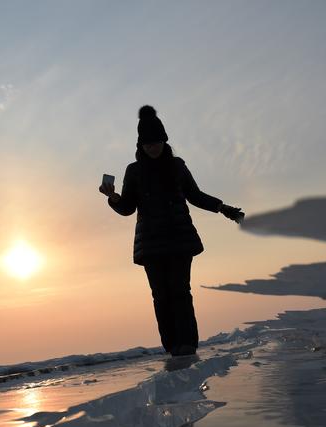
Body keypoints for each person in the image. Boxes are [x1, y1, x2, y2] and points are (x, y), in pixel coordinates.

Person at [99, 105, 244, 357]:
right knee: (161, 296)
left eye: (156, 142)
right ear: (140, 145)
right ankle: (172, 348)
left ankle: (187, 345)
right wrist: (112, 197)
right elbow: (127, 208)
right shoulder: (133, 171)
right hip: (151, 244)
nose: (152, 147)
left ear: (164, 141)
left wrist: (222, 207)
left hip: (179, 239)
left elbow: (195, 195)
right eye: (147, 144)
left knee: (180, 291)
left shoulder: (177, 165)